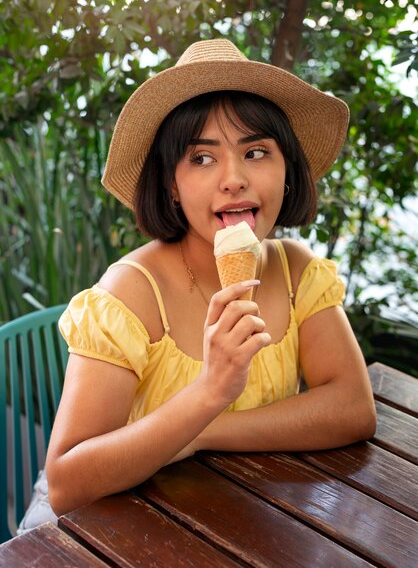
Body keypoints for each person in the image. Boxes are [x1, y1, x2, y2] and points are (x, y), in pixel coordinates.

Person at [45, 38, 376, 517]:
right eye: (202, 158)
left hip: (249, 521)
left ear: (287, 171)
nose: (233, 178)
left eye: (257, 152)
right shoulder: (131, 294)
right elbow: (66, 486)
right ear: (170, 186)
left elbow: (352, 410)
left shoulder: (295, 271)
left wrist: (202, 432)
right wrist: (211, 392)